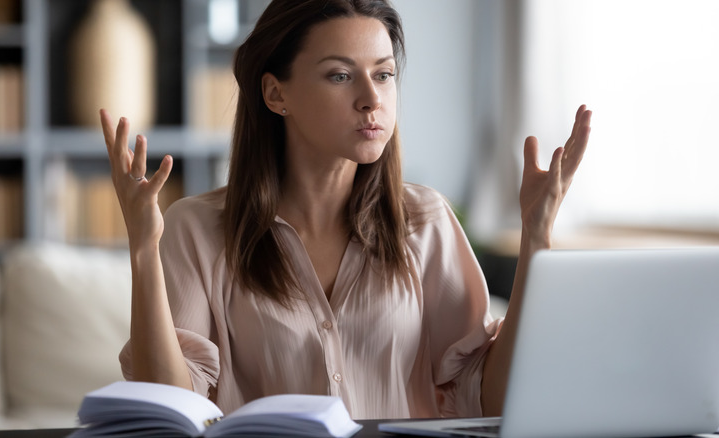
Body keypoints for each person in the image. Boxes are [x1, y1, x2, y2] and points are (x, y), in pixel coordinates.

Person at [99, 0, 591, 420]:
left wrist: (535, 238)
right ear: (276, 93)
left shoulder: (427, 221)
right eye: (340, 75)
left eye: (384, 74)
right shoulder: (196, 229)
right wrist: (143, 247)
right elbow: (168, 408)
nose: (371, 99)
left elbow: (493, 401)